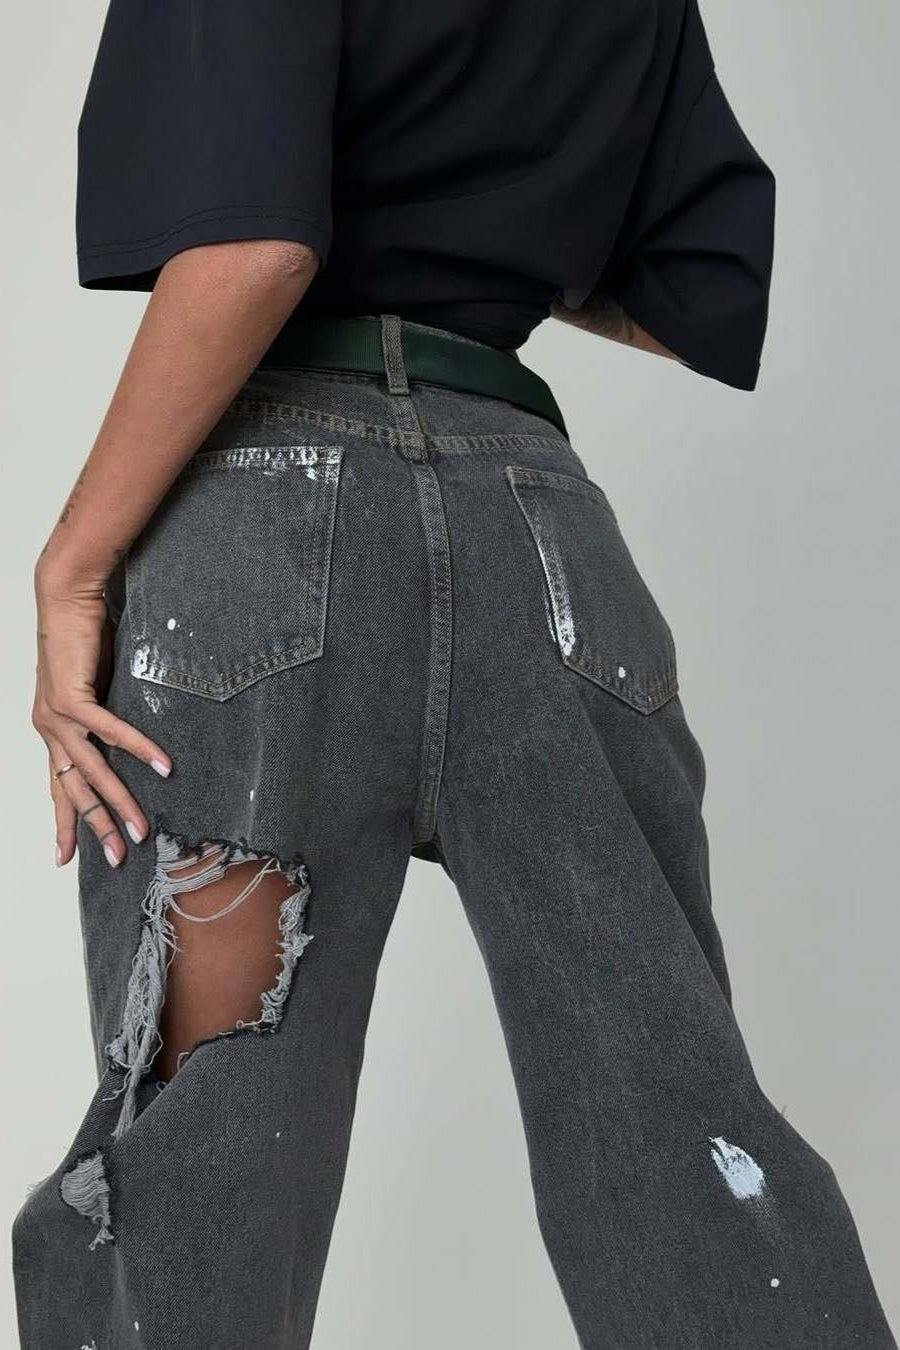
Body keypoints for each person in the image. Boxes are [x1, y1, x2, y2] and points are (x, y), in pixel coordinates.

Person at [13, 0, 896, 1346]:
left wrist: (73, 565)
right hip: (542, 532)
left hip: (269, 542)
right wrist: (483, 237)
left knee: (202, 1140)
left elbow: (256, 249)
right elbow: (693, 288)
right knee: (679, 1122)